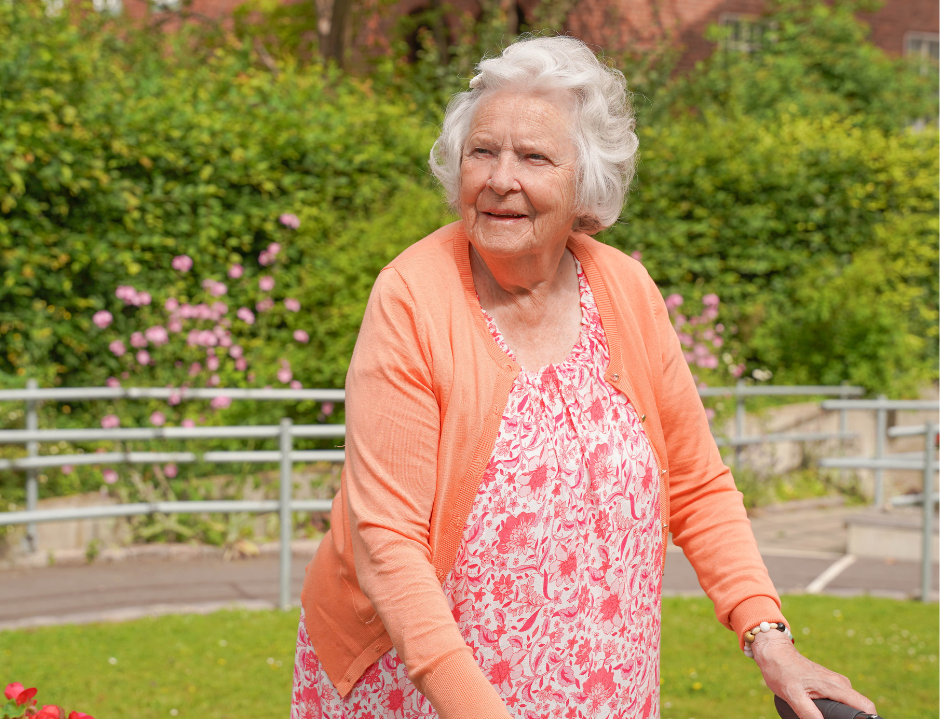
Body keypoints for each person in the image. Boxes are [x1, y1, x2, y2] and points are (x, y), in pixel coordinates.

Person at [291, 35, 877, 719]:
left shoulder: (625, 289)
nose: (500, 179)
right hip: (424, 690)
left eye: (534, 157)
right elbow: (386, 539)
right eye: (483, 151)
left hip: (603, 687)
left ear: (586, 188)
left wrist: (769, 635)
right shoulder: (412, 298)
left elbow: (698, 484)